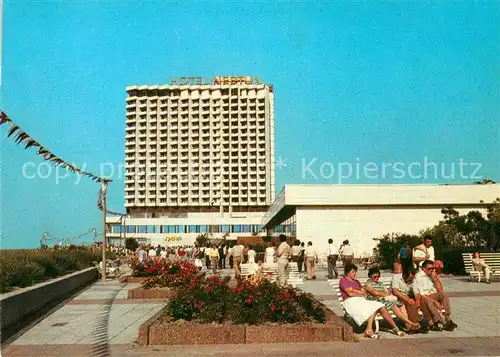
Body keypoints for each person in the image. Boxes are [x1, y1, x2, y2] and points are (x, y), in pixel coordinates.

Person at [340, 264, 405, 339]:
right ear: (347, 273)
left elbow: (363, 292)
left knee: (381, 306)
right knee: (373, 307)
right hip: (350, 301)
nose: (355, 273)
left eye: (355, 272)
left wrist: (354, 290)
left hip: (361, 300)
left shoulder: (356, 281)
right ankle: (369, 330)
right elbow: (349, 293)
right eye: (353, 272)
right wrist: (358, 293)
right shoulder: (343, 280)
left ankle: (395, 328)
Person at [365, 267, 419, 333]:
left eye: (378, 276)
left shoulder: (380, 284)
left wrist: (383, 294)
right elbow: (375, 293)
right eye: (375, 276)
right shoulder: (368, 283)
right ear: (370, 276)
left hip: (384, 300)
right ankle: (410, 323)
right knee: (393, 305)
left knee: (401, 305)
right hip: (376, 301)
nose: (377, 278)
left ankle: (408, 326)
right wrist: (383, 294)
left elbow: (388, 293)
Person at [413, 260, 457, 331]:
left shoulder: (431, 276)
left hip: (431, 295)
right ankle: (442, 322)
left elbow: (440, 290)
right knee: (429, 301)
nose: (431, 270)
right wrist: (435, 302)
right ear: (424, 269)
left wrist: (436, 279)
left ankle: (447, 317)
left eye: (433, 268)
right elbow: (421, 293)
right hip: (423, 297)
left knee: (443, 294)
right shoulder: (419, 276)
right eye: (429, 269)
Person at [391, 263, 428, 334]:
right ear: (405, 275)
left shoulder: (413, 279)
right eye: (410, 278)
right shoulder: (396, 277)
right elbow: (395, 291)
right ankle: (416, 324)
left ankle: (415, 325)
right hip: (397, 297)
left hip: (408, 297)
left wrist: (417, 300)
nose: (411, 280)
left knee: (418, 301)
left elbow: (416, 292)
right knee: (408, 302)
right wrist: (407, 299)